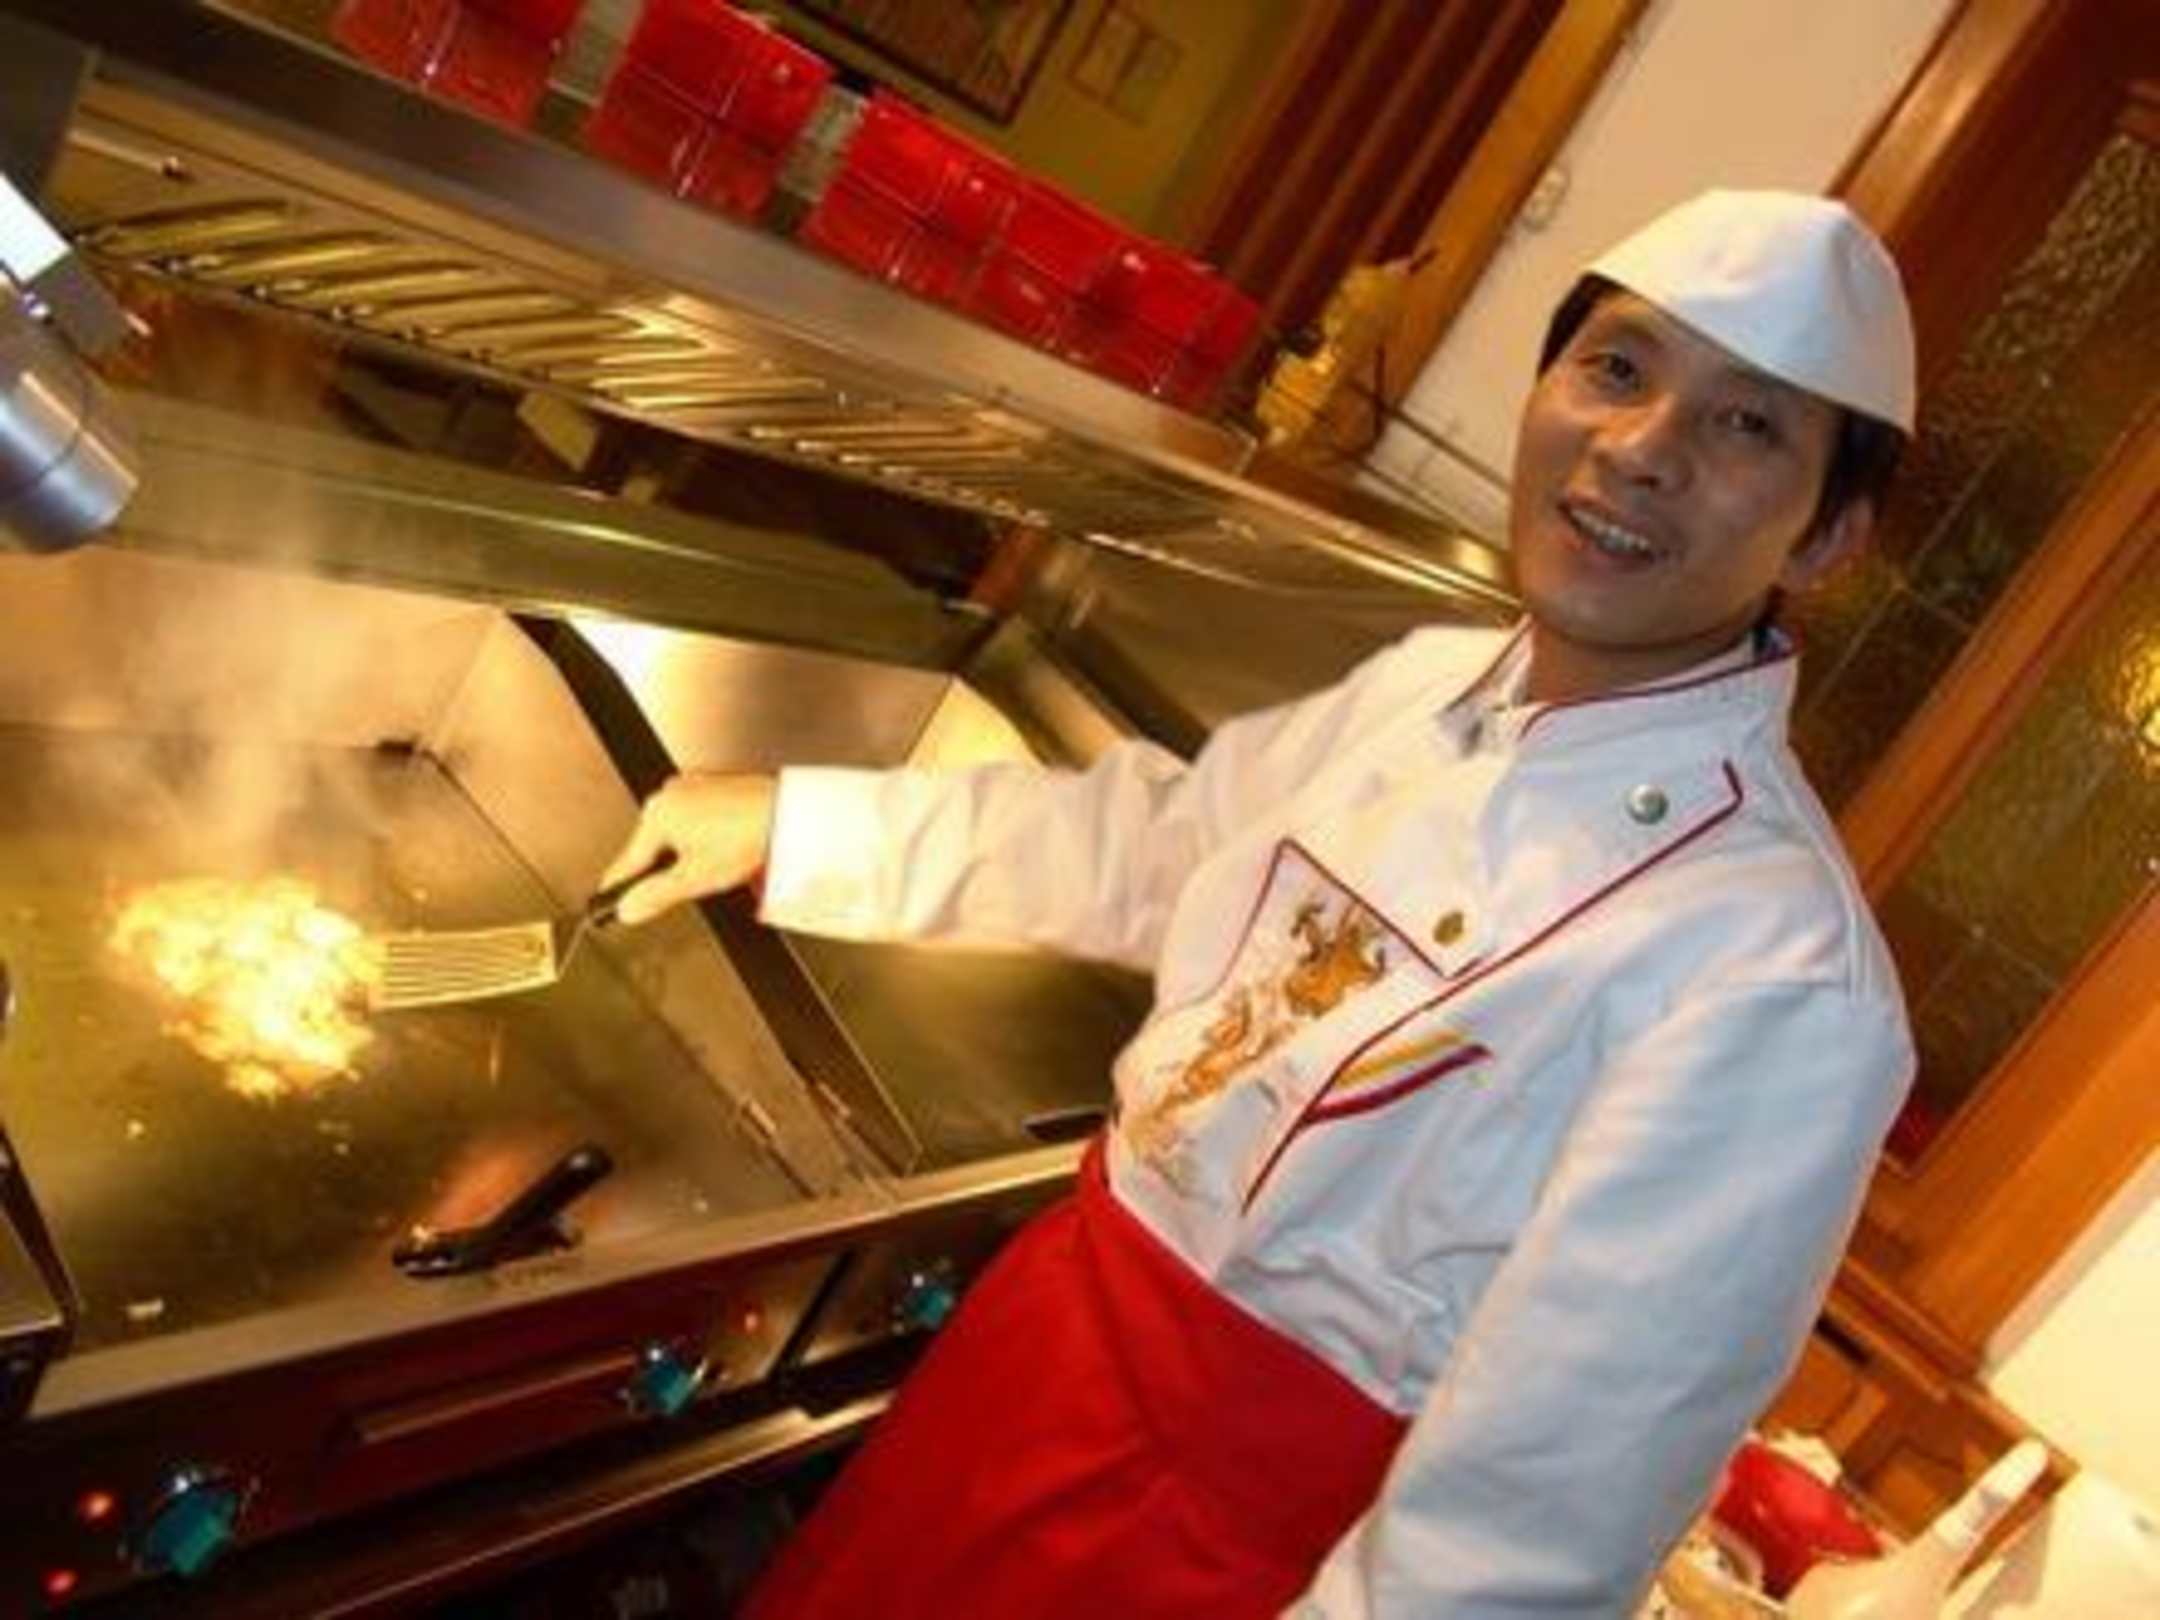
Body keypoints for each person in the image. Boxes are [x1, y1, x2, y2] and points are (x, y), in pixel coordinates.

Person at [601, 190, 1919, 1618]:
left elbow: (1530, 1527)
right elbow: (1163, 847)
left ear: (1826, 538)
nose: (1642, 447)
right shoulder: (1433, 685)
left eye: (1748, 426)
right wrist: (801, 820)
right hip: (1030, 1361)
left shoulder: (1784, 980)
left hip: (1227, 1554)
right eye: (1616, 367)